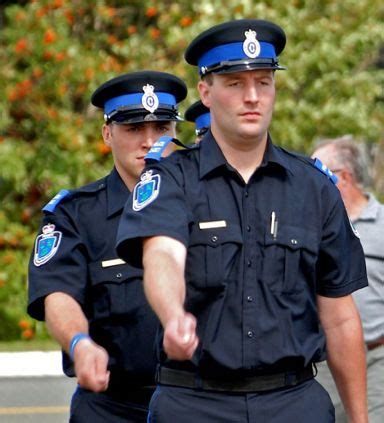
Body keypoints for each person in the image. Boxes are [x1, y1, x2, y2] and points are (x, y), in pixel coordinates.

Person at [116, 19, 368, 423]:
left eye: (263, 82)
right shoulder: (169, 179)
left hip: (294, 403)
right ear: (206, 92)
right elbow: (163, 255)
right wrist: (173, 315)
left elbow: (339, 317)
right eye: (235, 83)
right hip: (195, 405)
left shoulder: (314, 187)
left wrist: (360, 419)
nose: (252, 96)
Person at [27, 70, 187, 422]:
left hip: (196, 403)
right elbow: (57, 293)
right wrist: (78, 343)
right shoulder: (75, 215)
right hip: (110, 406)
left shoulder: (210, 206)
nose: (149, 141)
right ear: (107, 134)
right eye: (133, 129)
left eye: (161, 128)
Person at [312, 135, 384, 423]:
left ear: (343, 177)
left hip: (377, 358)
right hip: (327, 361)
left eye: (319, 170)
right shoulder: (314, 224)